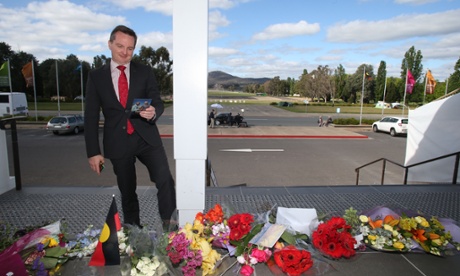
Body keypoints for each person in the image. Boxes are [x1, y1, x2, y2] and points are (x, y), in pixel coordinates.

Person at [84, 25, 176, 228]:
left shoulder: (144, 72)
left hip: (146, 139)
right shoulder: (96, 76)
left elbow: (157, 102)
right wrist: (93, 152)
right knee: (127, 191)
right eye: (120, 46)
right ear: (109, 44)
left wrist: (153, 112)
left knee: (166, 181)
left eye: (130, 48)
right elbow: (90, 116)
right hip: (118, 142)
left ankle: (171, 230)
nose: (125, 52)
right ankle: (134, 232)